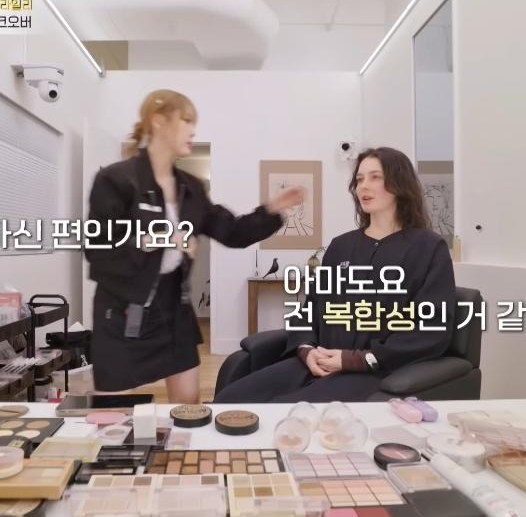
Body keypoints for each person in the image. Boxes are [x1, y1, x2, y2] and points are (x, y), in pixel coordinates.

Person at [86, 89, 304, 404]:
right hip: (121, 311)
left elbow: (232, 232)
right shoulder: (116, 180)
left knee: (188, 409)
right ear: (158, 121)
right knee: (112, 414)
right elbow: (98, 250)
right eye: (186, 120)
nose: (192, 130)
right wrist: (162, 238)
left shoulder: (191, 188)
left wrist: (271, 210)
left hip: (173, 309)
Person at [214, 147, 456, 403]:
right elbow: (309, 310)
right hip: (316, 364)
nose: (363, 186)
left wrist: (355, 359)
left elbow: (432, 328)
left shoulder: (428, 248)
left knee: (282, 412)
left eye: (375, 177)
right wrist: (306, 349)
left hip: (373, 372)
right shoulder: (341, 246)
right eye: (359, 179)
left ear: (400, 184)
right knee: (230, 400)